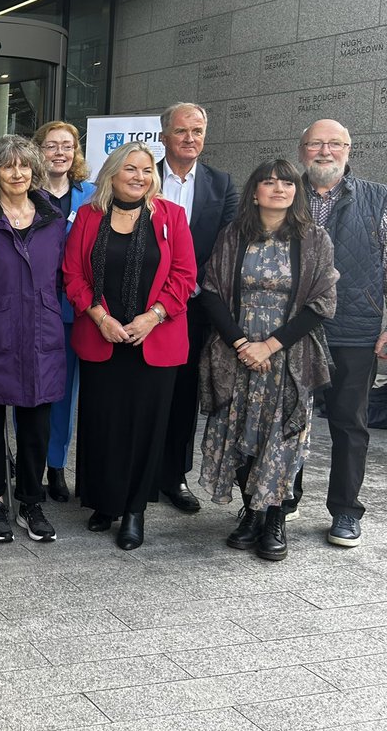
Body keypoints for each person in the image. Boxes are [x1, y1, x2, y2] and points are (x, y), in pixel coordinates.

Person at [197, 160, 338, 561]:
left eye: (287, 183)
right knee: (239, 429)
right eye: (268, 182)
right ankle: (250, 514)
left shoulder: (315, 239)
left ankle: (274, 516)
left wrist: (269, 346)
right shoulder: (233, 236)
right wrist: (242, 343)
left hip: (288, 354)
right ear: (254, 191)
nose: (278, 188)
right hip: (237, 350)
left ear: (297, 191)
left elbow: (321, 304)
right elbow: (210, 292)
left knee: (282, 435)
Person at [62, 141, 195, 550]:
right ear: (112, 174)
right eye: (130, 169)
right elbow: (72, 275)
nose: (140, 177)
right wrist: (100, 318)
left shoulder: (171, 216)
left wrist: (151, 316)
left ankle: (134, 509)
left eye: (146, 170)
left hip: (154, 339)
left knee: (145, 426)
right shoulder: (89, 215)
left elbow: (185, 276)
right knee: (103, 422)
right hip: (103, 337)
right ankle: (104, 501)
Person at [0, 136, 66, 545]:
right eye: (8, 166)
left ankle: (30, 502)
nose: (18, 174)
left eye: (24, 166)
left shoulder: (52, 216)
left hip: (41, 331)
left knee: (36, 427)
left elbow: (61, 274)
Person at [290, 119, 387, 547]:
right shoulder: (284, 191)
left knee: (350, 424)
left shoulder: (378, 198)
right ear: (302, 150)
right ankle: (281, 502)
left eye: (334, 144)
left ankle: (346, 512)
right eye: (315, 144)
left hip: (355, 329)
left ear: (349, 149)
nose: (324, 151)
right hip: (293, 330)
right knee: (290, 418)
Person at [155, 103, 238, 514]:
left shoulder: (221, 184)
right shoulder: (139, 174)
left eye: (198, 131)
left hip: (193, 307)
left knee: (184, 395)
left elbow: (226, 247)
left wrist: (186, 286)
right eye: (182, 130)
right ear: (164, 135)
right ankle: (139, 471)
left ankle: (174, 475)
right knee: (141, 393)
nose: (191, 138)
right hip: (141, 308)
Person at [34, 120, 95, 503]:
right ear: (38, 150)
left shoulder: (92, 196)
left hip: (75, 308)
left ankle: (55, 466)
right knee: (32, 388)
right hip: (34, 306)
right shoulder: (25, 191)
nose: (60, 152)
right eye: (52, 145)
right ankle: (29, 461)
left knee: (63, 394)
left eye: (67, 146)